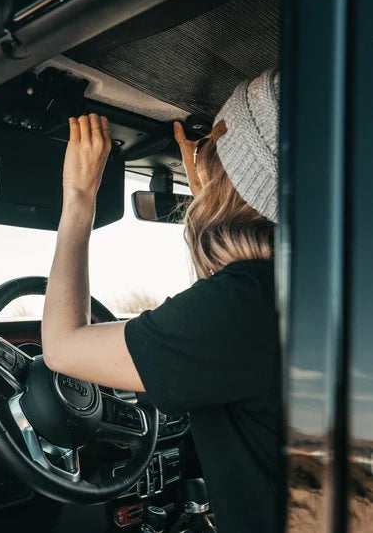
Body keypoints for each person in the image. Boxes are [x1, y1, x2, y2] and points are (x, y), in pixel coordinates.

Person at [41, 70, 281, 533]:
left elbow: (61, 346)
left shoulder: (243, 307)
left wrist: (78, 199)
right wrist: (213, 185)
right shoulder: (310, 288)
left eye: (220, 152)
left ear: (242, 179)